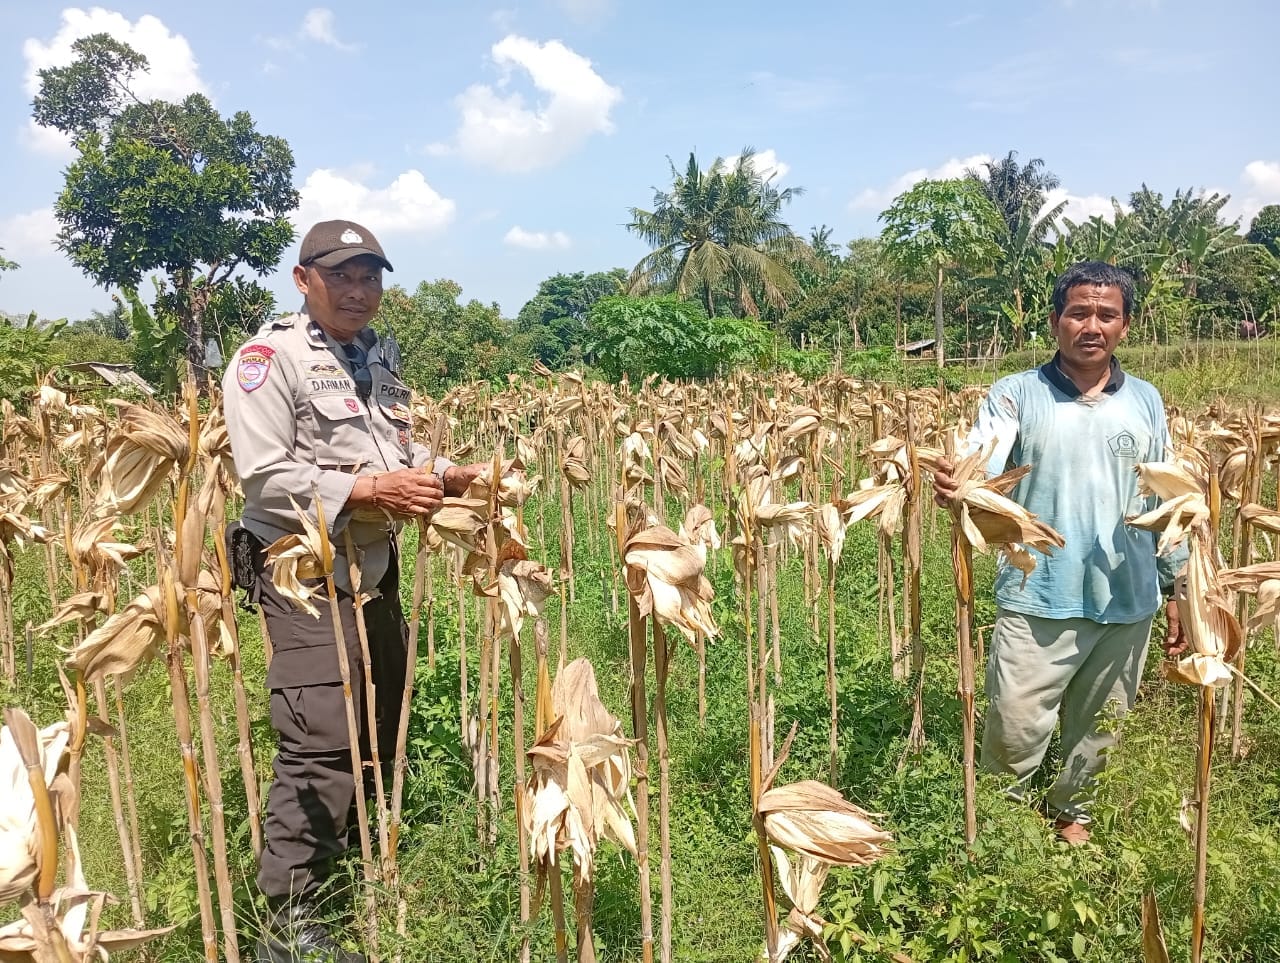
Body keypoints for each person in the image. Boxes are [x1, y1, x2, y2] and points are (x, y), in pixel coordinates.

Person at [222, 220, 483, 962]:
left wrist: (443, 470)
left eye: (371, 277)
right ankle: (292, 916)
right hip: (304, 573)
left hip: (374, 569)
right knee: (320, 735)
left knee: (381, 713)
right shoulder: (267, 360)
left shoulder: (374, 356)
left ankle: (364, 858)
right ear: (304, 280)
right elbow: (265, 478)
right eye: (342, 276)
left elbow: (391, 447)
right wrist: (371, 488)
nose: (360, 291)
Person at [932, 261, 1187, 846]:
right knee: (1016, 724)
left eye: (1106, 314)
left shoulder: (1146, 401)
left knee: (1101, 726)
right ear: (1055, 321)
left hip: (1128, 596)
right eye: (1078, 313)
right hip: (1039, 591)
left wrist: (1178, 589)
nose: (1091, 325)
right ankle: (1005, 818)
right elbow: (984, 458)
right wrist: (962, 483)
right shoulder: (1016, 393)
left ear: (1126, 324)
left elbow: (1169, 499)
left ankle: (1075, 813)